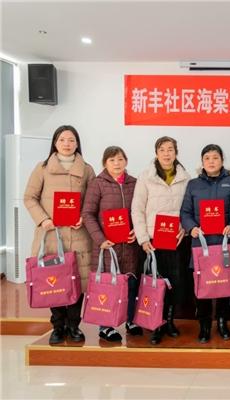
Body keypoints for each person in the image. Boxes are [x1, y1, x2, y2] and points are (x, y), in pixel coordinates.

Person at [24, 125, 95, 345]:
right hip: (51, 235)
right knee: (52, 282)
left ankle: (74, 325)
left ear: (77, 143)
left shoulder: (87, 169)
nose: (67, 144)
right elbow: (29, 197)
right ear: (55, 143)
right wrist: (44, 219)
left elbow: (92, 200)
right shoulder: (42, 168)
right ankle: (58, 326)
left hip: (79, 235)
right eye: (62, 139)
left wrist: (83, 216)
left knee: (77, 281)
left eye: (71, 140)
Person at [131, 136, 191, 345]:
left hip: (176, 240)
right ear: (156, 153)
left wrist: (184, 228)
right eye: (162, 149)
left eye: (170, 149)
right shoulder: (146, 177)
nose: (167, 153)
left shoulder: (185, 177)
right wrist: (142, 238)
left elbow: (188, 209)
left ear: (176, 153)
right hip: (152, 240)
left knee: (174, 282)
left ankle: (169, 321)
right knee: (155, 283)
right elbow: (137, 209)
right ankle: (156, 324)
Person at [81, 146, 142, 342]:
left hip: (130, 246)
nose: (117, 163)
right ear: (104, 163)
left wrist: (137, 231)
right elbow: (87, 214)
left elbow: (139, 211)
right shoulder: (97, 184)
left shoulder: (135, 183)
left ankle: (131, 320)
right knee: (108, 287)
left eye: (120, 159)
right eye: (112, 160)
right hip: (107, 246)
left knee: (131, 284)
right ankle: (106, 327)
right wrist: (100, 239)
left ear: (126, 161)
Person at [180, 144, 230, 343]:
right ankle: (204, 325)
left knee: (224, 284)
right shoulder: (193, 184)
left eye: (215, 157)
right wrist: (192, 228)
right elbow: (185, 212)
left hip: (224, 242)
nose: (211, 161)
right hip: (201, 243)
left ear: (222, 160)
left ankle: (222, 322)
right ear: (202, 162)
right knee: (203, 285)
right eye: (207, 158)